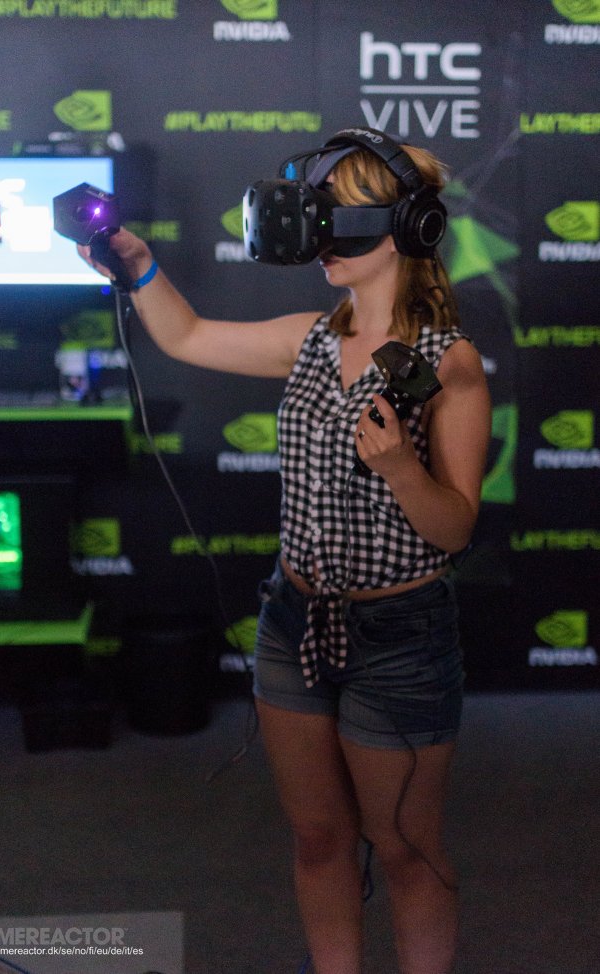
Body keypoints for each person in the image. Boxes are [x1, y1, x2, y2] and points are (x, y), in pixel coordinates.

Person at [78, 128, 491, 974]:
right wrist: (140, 267)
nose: (320, 242)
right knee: (317, 839)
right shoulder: (307, 338)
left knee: (405, 848)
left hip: (400, 640)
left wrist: (401, 468)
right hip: (292, 624)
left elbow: (454, 528)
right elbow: (189, 337)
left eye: (339, 222)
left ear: (405, 229)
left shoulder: (448, 363)